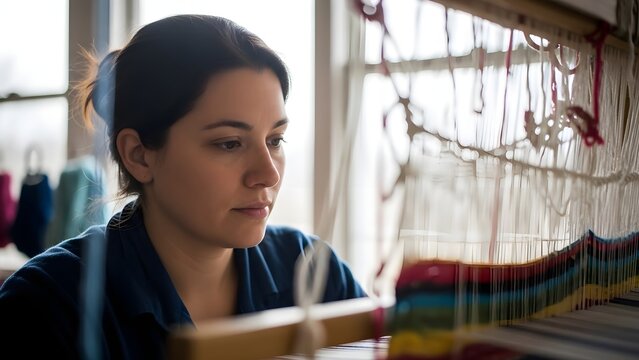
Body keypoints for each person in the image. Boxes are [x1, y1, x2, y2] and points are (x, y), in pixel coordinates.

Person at [0, 14, 365, 358]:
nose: (268, 175)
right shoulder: (46, 305)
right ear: (139, 155)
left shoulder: (315, 274)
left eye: (275, 140)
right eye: (229, 143)